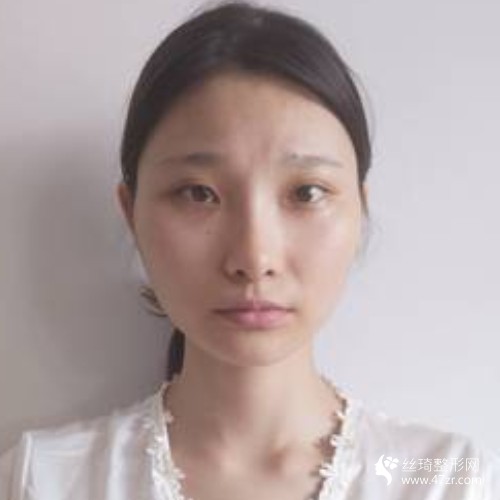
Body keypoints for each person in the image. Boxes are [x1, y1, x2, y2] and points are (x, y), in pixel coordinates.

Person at [1, 1, 499, 499]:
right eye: (199, 193)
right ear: (132, 214)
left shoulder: (441, 478)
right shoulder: (45, 480)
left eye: (306, 192)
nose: (254, 258)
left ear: (359, 211)